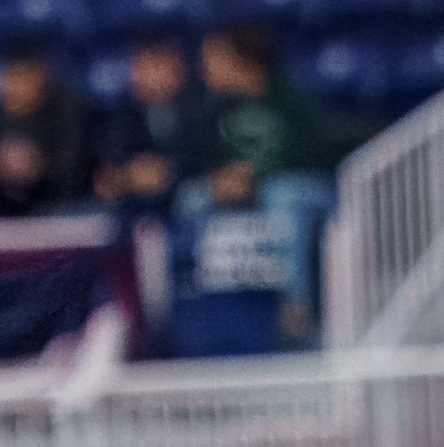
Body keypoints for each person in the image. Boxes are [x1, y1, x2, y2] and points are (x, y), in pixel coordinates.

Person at [181, 23, 338, 343]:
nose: (204, 69)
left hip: (304, 187)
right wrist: (219, 177)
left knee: (282, 196)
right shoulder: (214, 107)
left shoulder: (290, 98)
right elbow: (201, 157)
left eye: (212, 59)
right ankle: (204, 301)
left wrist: (253, 177)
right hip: (246, 189)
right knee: (191, 198)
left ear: (241, 59)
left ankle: (295, 308)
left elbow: (308, 155)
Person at [96, 34, 214, 216]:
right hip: (134, 202)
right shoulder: (122, 114)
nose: (147, 74)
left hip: (188, 197)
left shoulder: (200, 108)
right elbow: (108, 168)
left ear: (180, 69)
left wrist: (169, 172)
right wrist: (129, 175)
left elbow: (204, 158)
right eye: (141, 66)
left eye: (157, 65)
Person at [0, 43, 90, 218]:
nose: (14, 86)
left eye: (23, 76)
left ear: (41, 76)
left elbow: (77, 171)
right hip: (3, 215)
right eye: (10, 76)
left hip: (62, 210)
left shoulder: (67, 110)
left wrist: (37, 166)